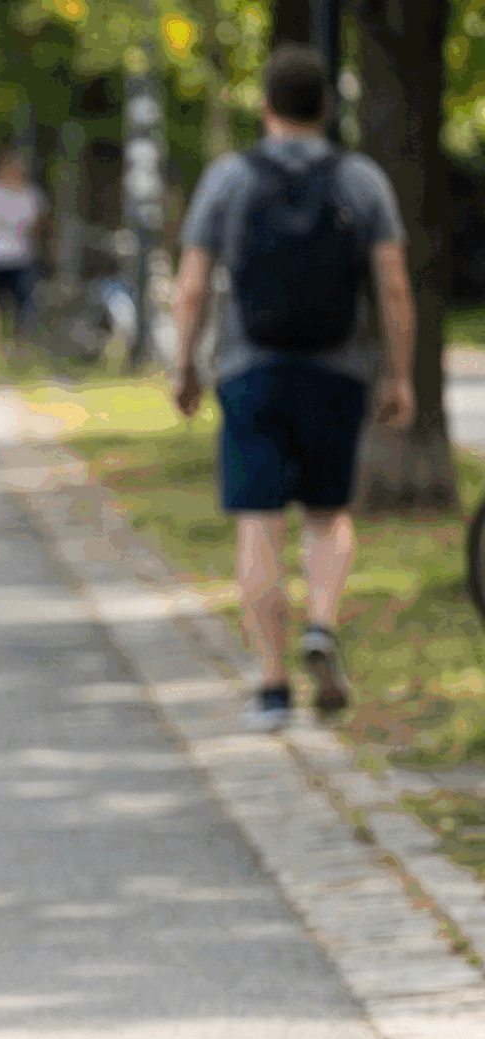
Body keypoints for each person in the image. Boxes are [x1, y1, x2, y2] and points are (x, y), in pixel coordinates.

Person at [170, 44, 415, 730]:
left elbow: (191, 286)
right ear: (327, 108)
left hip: (249, 370)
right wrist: (398, 374)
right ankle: (322, 625)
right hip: (338, 369)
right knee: (328, 515)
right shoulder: (361, 179)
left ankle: (273, 688)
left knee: (260, 523)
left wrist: (184, 367)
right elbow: (393, 284)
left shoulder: (228, 178)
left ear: (265, 106)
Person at [0, 149, 47, 341]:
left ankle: (21, 342)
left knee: (24, 305)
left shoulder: (32, 195)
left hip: (20, 257)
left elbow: (37, 228)